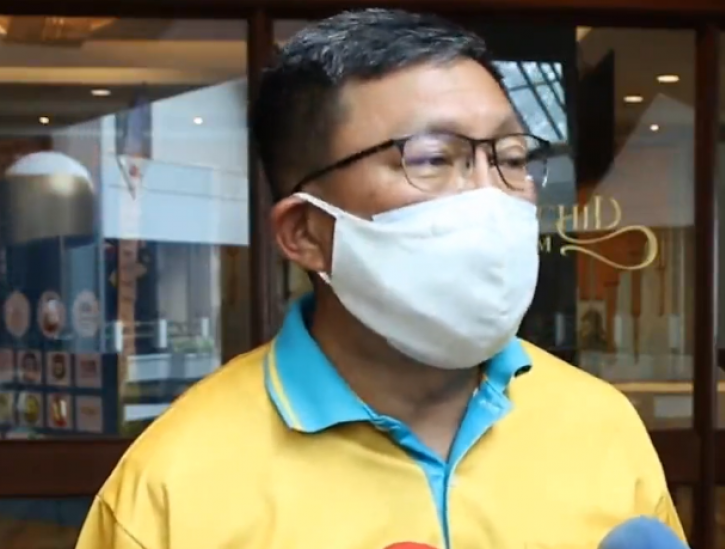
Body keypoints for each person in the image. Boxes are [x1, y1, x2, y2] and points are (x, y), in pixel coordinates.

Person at [76, 9, 685, 549]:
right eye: (432, 158)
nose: (490, 194)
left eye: (511, 158)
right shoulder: (172, 490)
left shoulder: (602, 427)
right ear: (307, 232)